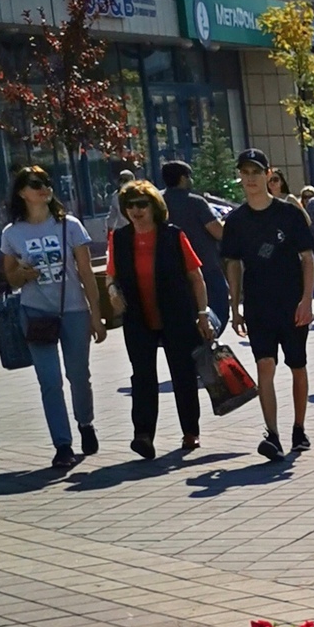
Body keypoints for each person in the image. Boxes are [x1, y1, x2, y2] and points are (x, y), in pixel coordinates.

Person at [0, 163, 108, 472]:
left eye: (46, 182)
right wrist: (23, 273)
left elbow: (86, 273)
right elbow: (10, 277)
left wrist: (96, 315)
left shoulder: (69, 225)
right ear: (22, 192)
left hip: (73, 310)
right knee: (49, 381)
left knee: (78, 376)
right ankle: (63, 445)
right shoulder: (12, 233)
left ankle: (85, 422)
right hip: (35, 312)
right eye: (36, 184)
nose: (44, 188)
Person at [106, 178, 215, 459]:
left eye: (141, 204)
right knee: (142, 376)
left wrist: (202, 314)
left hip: (177, 315)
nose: (135, 210)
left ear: (154, 206)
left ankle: (191, 431)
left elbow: (196, 277)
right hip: (137, 316)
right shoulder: (119, 239)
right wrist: (111, 290)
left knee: (183, 375)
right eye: (129, 205)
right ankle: (143, 435)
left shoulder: (172, 235)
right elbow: (111, 274)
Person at [222, 150, 314, 459]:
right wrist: (235, 306)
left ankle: (299, 429)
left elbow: (308, 259)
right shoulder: (236, 220)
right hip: (258, 304)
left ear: (267, 174)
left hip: (291, 302)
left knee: (297, 365)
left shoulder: (288, 214)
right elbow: (233, 264)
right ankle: (272, 434)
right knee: (265, 364)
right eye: (245, 172)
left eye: (256, 171)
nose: (250, 178)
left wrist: (307, 299)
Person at [159, 159, 230, 328]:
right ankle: (206, 346)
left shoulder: (157, 203)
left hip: (171, 271)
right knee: (218, 313)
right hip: (206, 267)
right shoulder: (196, 202)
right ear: (183, 178)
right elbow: (218, 232)